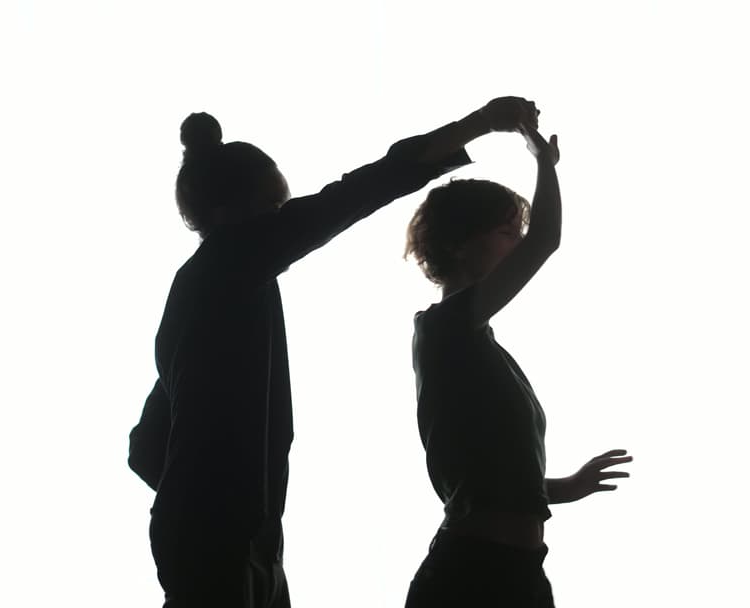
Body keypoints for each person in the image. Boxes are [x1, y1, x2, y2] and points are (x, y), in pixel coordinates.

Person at [128, 97, 542, 607]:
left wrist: (203, 498)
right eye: (274, 208)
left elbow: (145, 447)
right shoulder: (234, 259)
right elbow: (360, 189)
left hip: (225, 536)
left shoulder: (203, 292)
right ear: (230, 212)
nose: (283, 219)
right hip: (229, 539)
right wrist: (479, 123)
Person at [402, 109, 632, 607]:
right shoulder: (444, 330)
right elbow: (546, 239)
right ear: (460, 246)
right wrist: (544, 163)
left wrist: (566, 487)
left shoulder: (478, 347)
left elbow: (496, 480)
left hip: (519, 573)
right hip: (471, 575)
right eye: (508, 233)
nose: (520, 244)